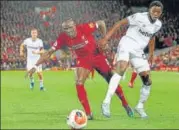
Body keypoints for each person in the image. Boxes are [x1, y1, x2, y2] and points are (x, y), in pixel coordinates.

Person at [26, 18, 134, 119]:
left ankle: (125, 104)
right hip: (83, 59)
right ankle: (88, 113)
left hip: (96, 55)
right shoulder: (62, 37)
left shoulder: (84, 28)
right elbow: (49, 52)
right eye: (66, 29)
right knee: (79, 82)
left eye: (70, 28)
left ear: (74, 26)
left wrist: (105, 39)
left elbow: (101, 23)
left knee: (111, 79)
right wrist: (35, 66)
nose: (68, 31)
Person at [99, 1, 163, 118]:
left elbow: (152, 37)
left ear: (161, 13)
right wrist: (106, 38)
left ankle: (140, 106)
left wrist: (151, 54)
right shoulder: (139, 17)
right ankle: (106, 102)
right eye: (154, 10)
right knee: (121, 69)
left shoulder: (158, 24)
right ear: (149, 10)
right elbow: (119, 23)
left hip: (139, 51)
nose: (156, 13)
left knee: (147, 81)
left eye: (158, 12)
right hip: (127, 43)